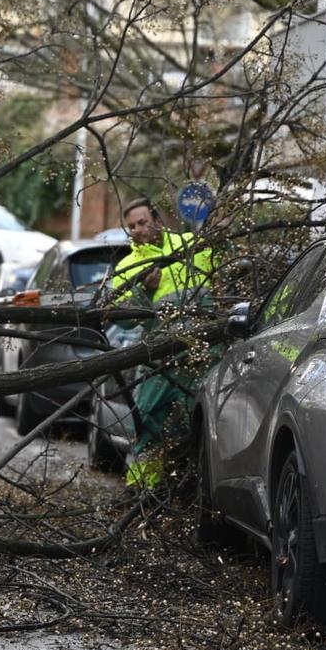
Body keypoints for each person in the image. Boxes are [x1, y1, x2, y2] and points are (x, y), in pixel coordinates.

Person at [109, 198, 213, 491]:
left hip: (202, 355)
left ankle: (191, 494)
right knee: (149, 423)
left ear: (157, 219)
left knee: (200, 427)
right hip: (160, 360)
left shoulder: (190, 245)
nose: (137, 231)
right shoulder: (129, 267)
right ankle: (141, 493)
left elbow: (224, 280)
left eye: (142, 222)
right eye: (131, 227)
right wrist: (145, 292)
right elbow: (123, 320)